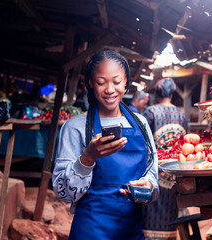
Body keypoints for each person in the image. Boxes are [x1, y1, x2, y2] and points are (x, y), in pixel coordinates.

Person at [52, 50, 159, 240]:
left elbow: (152, 171)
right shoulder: (75, 127)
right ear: (90, 83)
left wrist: (149, 185)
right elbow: (63, 193)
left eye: (116, 82)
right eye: (101, 82)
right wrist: (87, 158)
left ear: (126, 81)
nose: (110, 89)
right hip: (91, 230)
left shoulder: (141, 124)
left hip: (131, 230)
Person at [142, 77, 189, 240]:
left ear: (157, 93)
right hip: (173, 174)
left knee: (151, 208)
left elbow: (143, 143)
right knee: (170, 210)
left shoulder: (151, 112)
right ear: (172, 93)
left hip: (153, 173)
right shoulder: (181, 115)